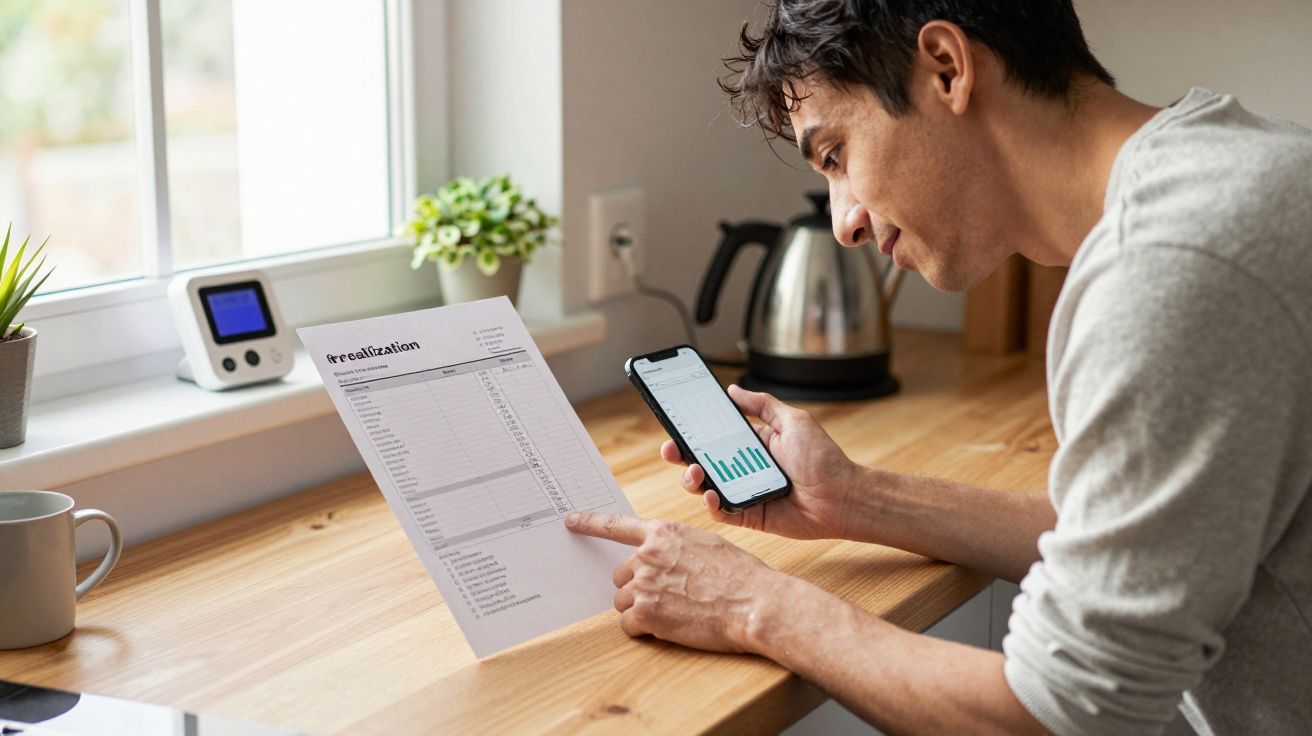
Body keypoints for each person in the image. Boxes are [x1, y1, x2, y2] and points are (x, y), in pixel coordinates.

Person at [566, 1, 1312, 733]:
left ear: (947, 69)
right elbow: (1133, 537)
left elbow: (1061, 715)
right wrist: (856, 497)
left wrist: (752, 604)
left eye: (836, 156)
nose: (845, 221)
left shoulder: (1174, 268)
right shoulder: (1234, 169)